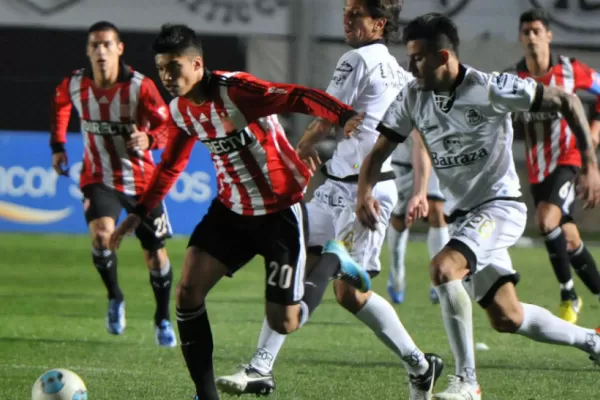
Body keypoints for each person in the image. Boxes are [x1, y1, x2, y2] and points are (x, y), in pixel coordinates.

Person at [108, 24, 372, 400]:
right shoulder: (180, 110)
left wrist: (343, 115)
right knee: (186, 293)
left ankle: (330, 259)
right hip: (231, 211)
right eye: (161, 68)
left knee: (285, 320)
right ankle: (205, 395)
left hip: (280, 212)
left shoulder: (239, 92)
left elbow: (297, 96)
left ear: (197, 64)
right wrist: (141, 211)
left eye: (175, 66)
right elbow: (170, 164)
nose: (167, 76)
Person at [356, 13, 600, 400]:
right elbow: (378, 150)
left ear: (443, 56)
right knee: (508, 317)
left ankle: (467, 381)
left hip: (500, 208)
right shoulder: (412, 96)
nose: (410, 65)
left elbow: (568, 101)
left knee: (443, 267)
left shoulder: (492, 88)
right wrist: (362, 194)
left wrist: (589, 164)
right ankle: (593, 341)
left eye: (417, 57)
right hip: (464, 218)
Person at [215, 2, 444, 400]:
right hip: (347, 185)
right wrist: (419, 189)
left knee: (338, 285)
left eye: (355, 13)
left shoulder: (355, 60)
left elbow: (324, 116)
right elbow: (419, 137)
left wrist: (297, 151)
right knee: (311, 271)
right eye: (345, 11)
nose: (346, 18)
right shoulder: (402, 72)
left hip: (365, 192)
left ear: (379, 23)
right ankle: (262, 367)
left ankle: (419, 365)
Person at [50, 21, 177, 347]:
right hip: (98, 178)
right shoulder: (76, 84)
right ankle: (115, 297)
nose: (101, 51)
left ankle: (162, 317)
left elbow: (169, 129)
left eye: (107, 44)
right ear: (88, 50)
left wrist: (149, 140)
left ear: (119, 48)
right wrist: (58, 145)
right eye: (95, 45)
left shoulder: (140, 87)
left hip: (142, 183)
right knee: (102, 235)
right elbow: (61, 104)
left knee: (155, 256)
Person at [504, 8, 600, 323]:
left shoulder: (571, 72)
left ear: (548, 35)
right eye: (526, 32)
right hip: (537, 169)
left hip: (569, 160)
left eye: (536, 31)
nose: (531, 37)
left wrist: (594, 136)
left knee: (546, 220)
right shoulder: (514, 80)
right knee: (569, 239)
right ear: (520, 38)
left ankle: (568, 293)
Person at [387, 140, 449, 304]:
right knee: (402, 218)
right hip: (404, 146)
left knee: (437, 209)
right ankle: (396, 273)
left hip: (436, 142)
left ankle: (439, 278)